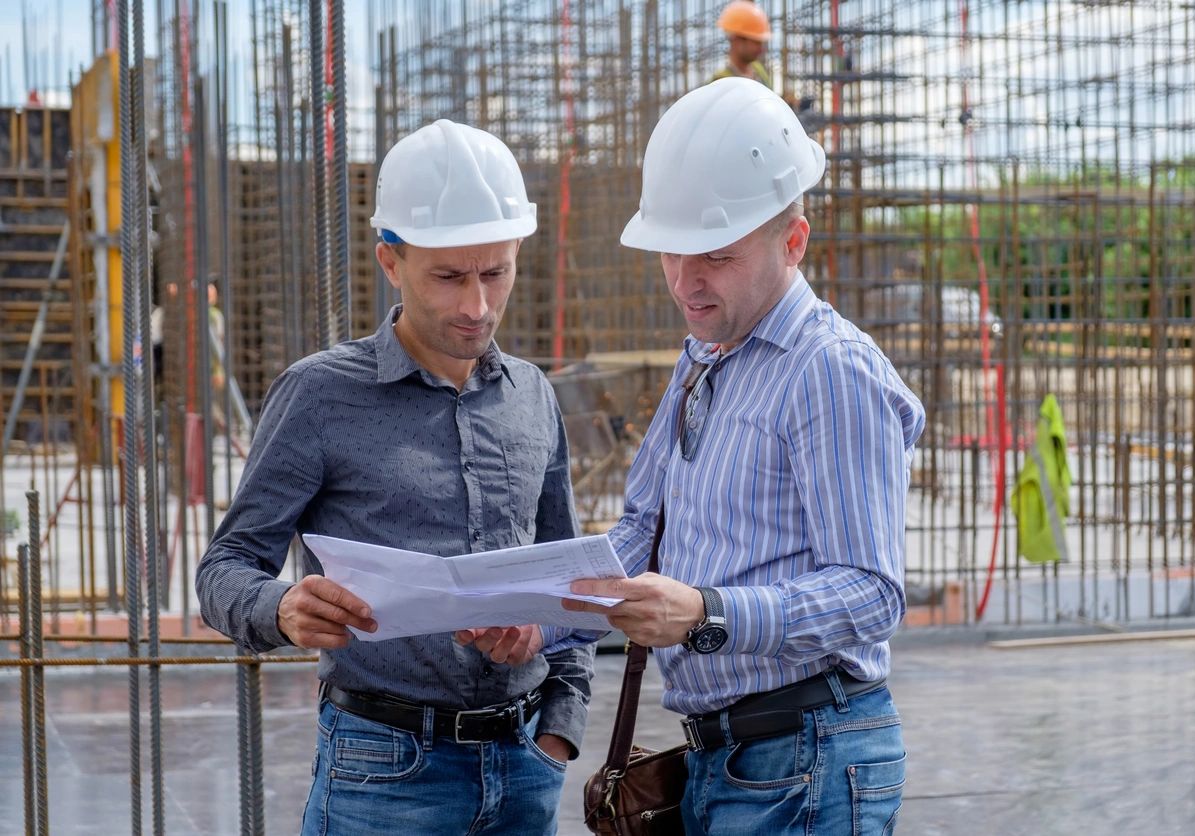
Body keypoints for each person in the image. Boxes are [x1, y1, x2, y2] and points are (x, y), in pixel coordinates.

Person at [195, 119, 594, 836]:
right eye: (448, 277)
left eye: (495, 272)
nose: (476, 305)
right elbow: (223, 568)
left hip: (527, 766)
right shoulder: (319, 395)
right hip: (386, 773)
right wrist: (281, 607)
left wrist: (559, 724)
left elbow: (572, 587)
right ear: (390, 261)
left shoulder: (533, 395)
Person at [564, 78, 925, 834]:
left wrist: (708, 613)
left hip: (809, 755)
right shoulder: (704, 354)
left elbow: (871, 591)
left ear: (792, 243)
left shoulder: (827, 369)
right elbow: (643, 525)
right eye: (673, 251)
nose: (687, 281)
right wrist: (544, 610)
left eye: (717, 257)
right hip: (729, 757)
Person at [711, 1, 773, 88]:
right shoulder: (720, 82)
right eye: (756, 42)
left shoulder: (759, 71)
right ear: (736, 39)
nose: (761, 49)